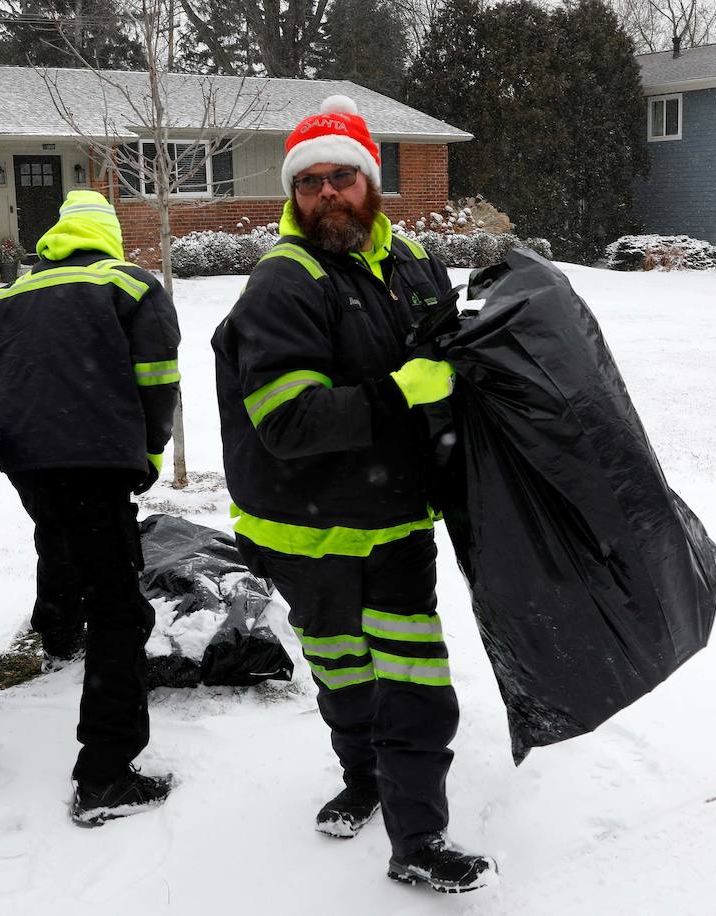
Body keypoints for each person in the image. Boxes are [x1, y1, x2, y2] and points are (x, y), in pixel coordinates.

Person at [211, 96, 498, 893]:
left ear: (371, 183)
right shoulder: (284, 281)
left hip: (396, 518)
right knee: (342, 672)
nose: (326, 194)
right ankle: (363, 776)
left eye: (342, 178)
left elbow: (448, 357)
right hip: (305, 530)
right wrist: (400, 392)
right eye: (309, 183)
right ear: (293, 195)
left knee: (414, 678)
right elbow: (287, 418)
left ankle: (419, 838)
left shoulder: (411, 264)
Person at [0, 190, 181, 827]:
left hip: (29, 462)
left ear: (58, 237)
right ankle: (106, 773)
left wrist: (14, 416)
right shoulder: (128, 287)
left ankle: (57, 636)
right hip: (99, 459)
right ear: (107, 237)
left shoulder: (9, 296)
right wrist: (149, 452)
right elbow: (158, 379)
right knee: (120, 609)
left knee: (57, 539)